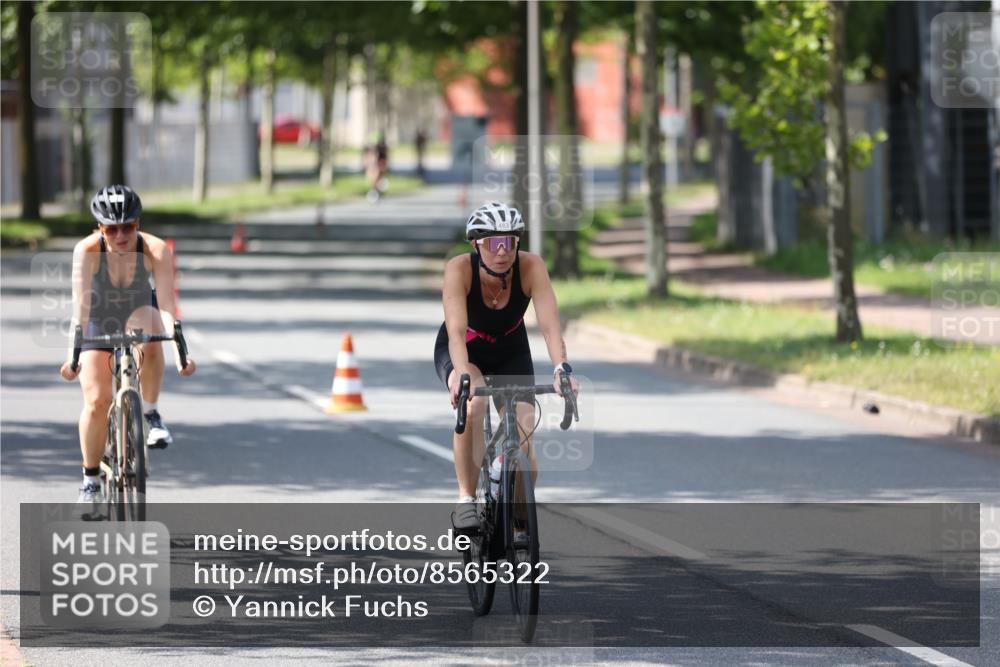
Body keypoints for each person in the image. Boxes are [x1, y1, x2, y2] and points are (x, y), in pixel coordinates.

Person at [434, 201, 579, 530]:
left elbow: (550, 326)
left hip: (510, 348)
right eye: (494, 243)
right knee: (475, 405)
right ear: (477, 245)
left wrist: (561, 369)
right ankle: (466, 500)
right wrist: (460, 377)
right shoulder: (459, 269)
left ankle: (508, 485)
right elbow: (456, 333)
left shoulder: (531, 267)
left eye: (510, 242)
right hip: (465, 348)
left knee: (525, 444)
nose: (503, 251)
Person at [59, 185, 197, 508]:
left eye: (128, 226)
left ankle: (150, 414)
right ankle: (90, 482)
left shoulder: (156, 249)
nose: (120, 235)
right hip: (98, 311)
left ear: (138, 224)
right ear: (99, 228)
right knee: (96, 400)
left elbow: (166, 309)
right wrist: (72, 357)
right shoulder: (87, 251)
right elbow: (79, 311)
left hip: (139, 307)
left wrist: (182, 355)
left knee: (151, 343)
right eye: (111, 228)